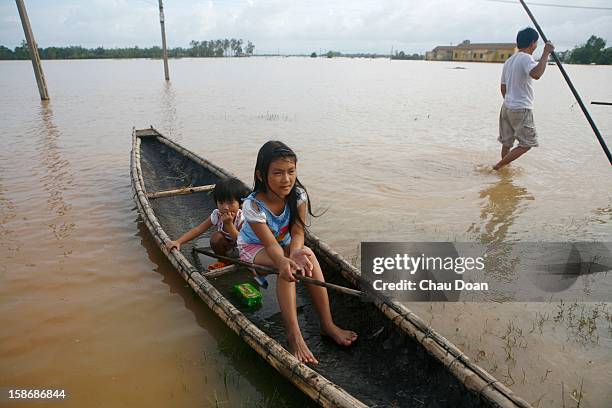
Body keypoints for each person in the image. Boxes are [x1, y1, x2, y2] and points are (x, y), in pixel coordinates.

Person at [237, 141, 357, 364]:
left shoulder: (298, 195)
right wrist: (285, 260)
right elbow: (270, 245)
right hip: (254, 247)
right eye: (278, 173)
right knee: (287, 270)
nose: (286, 179)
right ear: (261, 176)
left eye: (291, 171)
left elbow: (298, 231)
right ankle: (294, 337)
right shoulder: (252, 206)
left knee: (307, 255)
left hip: (283, 243)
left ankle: (327, 324)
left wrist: (296, 252)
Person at [493, 27, 554, 171]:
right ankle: (499, 166)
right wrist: (546, 53)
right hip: (521, 107)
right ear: (532, 43)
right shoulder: (526, 58)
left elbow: (503, 87)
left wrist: (509, 101)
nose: (536, 46)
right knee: (527, 144)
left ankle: (504, 172)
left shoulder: (509, 61)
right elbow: (537, 74)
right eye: (536, 43)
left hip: (506, 107)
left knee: (507, 143)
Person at [166, 177, 250, 259]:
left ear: (240, 203)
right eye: (221, 202)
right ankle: (225, 260)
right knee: (216, 238)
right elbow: (198, 229)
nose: (225, 207)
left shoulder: (242, 219)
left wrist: (229, 224)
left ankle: (237, 260)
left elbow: (242, 242)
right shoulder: (217, 215)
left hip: (245, 250)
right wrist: (178, 241)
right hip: (229, 249)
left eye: (230, 203)